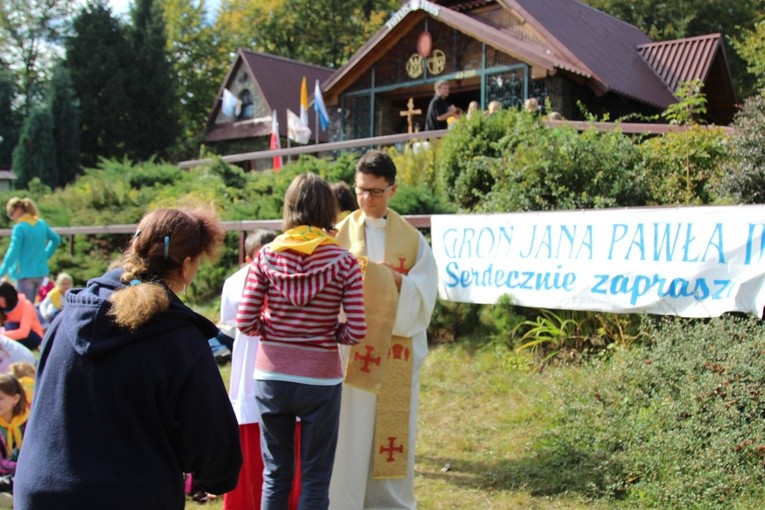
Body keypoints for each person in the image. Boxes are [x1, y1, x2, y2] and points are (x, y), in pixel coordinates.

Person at [14, 206, 242, 509]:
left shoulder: (64, 319)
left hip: (38, 492)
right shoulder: (180, 340)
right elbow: (217, 460)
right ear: (186, 266)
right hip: (127, 497)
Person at [236, 173, 367, 510]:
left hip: (272, 378)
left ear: (290, 208)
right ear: (329, 211)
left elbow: (245, 321)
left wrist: (275, 328)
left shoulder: (265, 257)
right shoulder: (344, 262)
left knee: (276, 474)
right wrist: (328, 333)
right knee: (316, 476)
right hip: (320, 380)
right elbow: (357, 329)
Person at [329, 150, 438, 509]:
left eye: (376, 192)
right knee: (350, 431)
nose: (366, 199)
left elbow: (423, 298)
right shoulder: (339, 235)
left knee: (389, 431)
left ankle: (387, 503)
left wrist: (392, 278)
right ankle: (345, 501)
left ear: (392, 190)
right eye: (361, 190)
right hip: (351, 351)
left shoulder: (413, 241)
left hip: (394, 352)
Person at [221, 227, 303, 510]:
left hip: (284, 364)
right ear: (247, 259)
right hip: (252, 366)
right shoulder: (237, 282)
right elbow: (231, 318)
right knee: (253, 440)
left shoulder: (293, 277)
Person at [0, 198, 61, 302]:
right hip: (40, 272)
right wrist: (46, 255)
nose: (11, 217)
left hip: (24, 273)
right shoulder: (41, 223)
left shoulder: (20, 228)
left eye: (11, 213)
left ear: (18, 210)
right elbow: (56, 239)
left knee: (25, 305)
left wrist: (2, 271)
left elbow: (13, 251)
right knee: (33, 305)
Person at [0, 374, 30, 507]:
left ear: (16, 398)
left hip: (23, 476)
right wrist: (23, 468)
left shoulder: (28, 422)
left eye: (0, 398)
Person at [0, 283, 44, 350]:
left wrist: (2, 335)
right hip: (13, 336)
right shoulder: (3, 308)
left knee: (11, 326)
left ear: (8, 296)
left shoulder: (26, 305)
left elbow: (24, 332)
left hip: (34, 337)